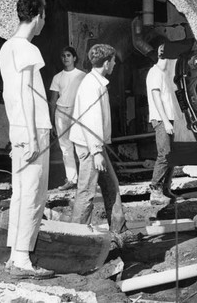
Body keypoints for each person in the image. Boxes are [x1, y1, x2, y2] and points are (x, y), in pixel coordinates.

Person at [0, 0, 55, 279]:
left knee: (20, 193)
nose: (44, 22)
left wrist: (19, 133)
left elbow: (12, 96)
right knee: (33, 193)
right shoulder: (28, 49)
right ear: (37, 16)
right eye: (44, 16)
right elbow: (26, 95)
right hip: (33, 129)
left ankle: (14, 255)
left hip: (18, 128)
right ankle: (22, 259)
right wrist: (33, 137)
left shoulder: (6, 47)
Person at [69, 44, 137, 247]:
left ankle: (119, 229)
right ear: (106, 63)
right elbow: (91, 122)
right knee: (87, 192)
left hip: (94, 145)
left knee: (110, 185)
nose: (115, 64)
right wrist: (97, 152)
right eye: (113, 61)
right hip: (90, 147)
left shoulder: (96, 82)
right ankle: (75, 239)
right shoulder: (92, 86)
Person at [49, 47, 85, 191]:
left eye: (69, 55)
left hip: (77, 112)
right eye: (63, 56)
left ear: (74, 58)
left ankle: (85, 181)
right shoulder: (57, 77)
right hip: (60, 113)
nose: (66, 58)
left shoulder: (82, 75)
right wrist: (51, 121)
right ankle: (71, 180)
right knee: (65, 147)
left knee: (81, 146)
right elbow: (53, 101)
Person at [146, 40, 178, 205]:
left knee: (171, 156)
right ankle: (155, 191)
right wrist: (166, 122)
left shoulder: (166, 75)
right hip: (160, 119)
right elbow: (156, 98)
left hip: (171, 118)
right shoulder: (155, 73)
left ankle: (165, 189)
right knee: (164, 154)